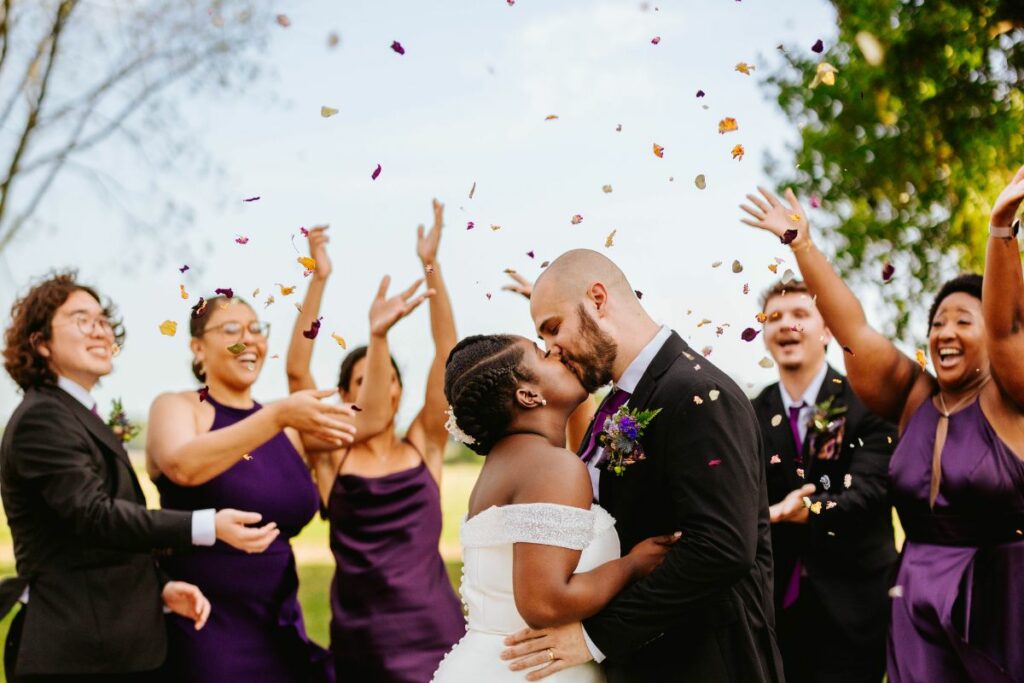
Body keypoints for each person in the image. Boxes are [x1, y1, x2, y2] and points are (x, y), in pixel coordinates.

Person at [740, 169, 1024, 682]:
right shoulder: (914, 397)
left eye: (964, 320)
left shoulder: (1012, 401)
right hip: (914, 595)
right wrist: (802, 245)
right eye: (938, 322)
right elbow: (853, 330)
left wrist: (1001, 230)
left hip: (1000, 595)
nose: (946, 332)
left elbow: (1009, 329)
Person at [501, 249, 784, 682]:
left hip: (707, 663)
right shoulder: (620, 402)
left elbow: (722, 547)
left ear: (597, 298)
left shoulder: (698, 391)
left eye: (553, 329)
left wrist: (596, 637)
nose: (552, 351)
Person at [0, 271, 264, 680]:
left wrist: (159, 588)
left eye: (103, 321)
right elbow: (96, 516)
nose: (101, 332)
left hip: (117, 646)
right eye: (82, 320)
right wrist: (207, 524)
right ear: (41, 343)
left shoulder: (76, 414)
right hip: (78, 654)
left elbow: (92, 545)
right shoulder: (42, 419)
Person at [286, 201, 465, 682]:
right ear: (345, 395)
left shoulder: (424, 442)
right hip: (362, 639)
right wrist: (318, 278)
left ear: (399, 388)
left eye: (384, 378)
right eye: (362, 380)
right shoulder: (330, 454)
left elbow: (447, 353)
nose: (378, 388)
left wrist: (432, 265)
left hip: (435, 632)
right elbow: (296, 371)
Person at [431, 334, 678, 682]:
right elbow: (545, 604)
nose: (558, 352)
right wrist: (633, 565)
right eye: (544, 353)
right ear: (528, 395)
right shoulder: (550, 466)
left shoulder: (507, 465)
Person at [146, 294, 360, 682]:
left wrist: (376, 333)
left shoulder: (288, 426)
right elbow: (182, 465)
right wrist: (276, 415)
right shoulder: (177, 407)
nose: (250, 341)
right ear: (197, 348)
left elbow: (372, 424)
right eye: (231, 330)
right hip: (206, 628)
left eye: (256, 329)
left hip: (280, 623)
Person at [750, 278, 898, 683]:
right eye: (774, 317)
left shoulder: (867, 402)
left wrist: (811, 509)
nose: (786, 326)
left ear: (828, 329)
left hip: (853, 609)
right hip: (773, 613)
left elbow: (870, 491)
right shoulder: (749, 413)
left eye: (800, 315)